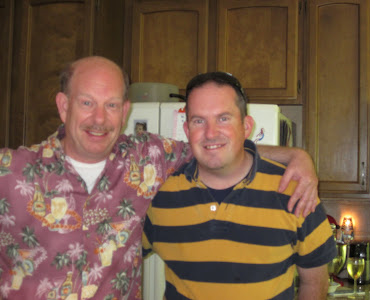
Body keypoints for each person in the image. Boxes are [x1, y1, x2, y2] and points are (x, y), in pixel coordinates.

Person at [0, 56, 317, 299]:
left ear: (125, 112)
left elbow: (215, 147)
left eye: (111, 105)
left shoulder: (146, 159)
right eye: (86, 103)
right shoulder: (10, 172)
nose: (99, 119)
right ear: (63, 105)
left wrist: (295, 155)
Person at [142, 72, 337, 300]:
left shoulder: (296, 191)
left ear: (246, 127)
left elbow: (314, 281)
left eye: (223, 118)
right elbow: (118, 257)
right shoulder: (158, 193)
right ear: (187, 132)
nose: (211, 133)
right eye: (198, 121)